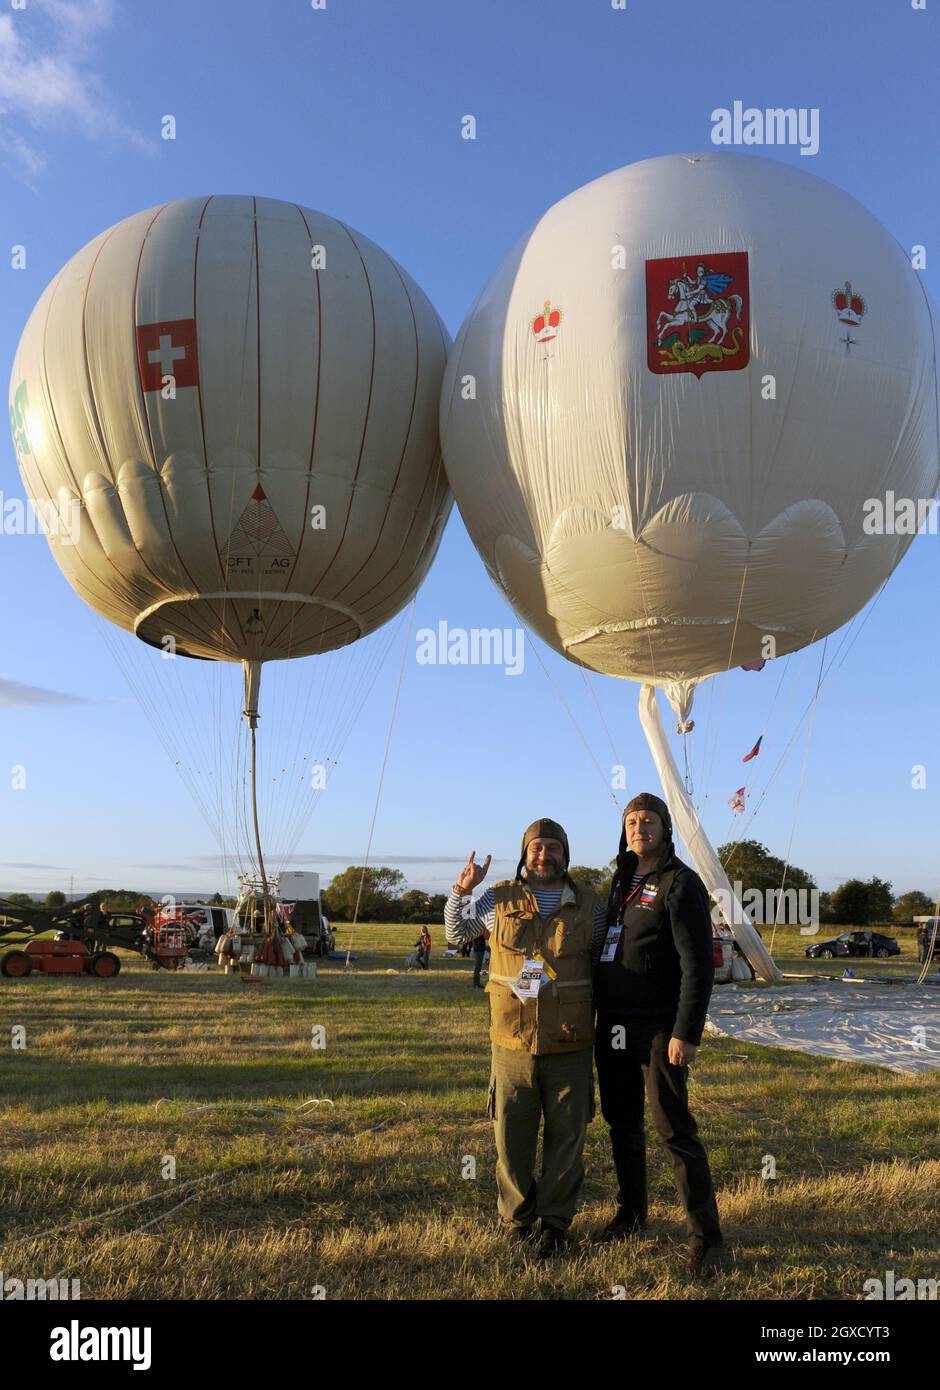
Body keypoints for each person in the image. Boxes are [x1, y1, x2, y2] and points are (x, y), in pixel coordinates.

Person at [445, 819, 606, 1258]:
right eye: (536, 848)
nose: (544, 855)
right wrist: (461, 892)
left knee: (566, 1140)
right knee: (510, 1138)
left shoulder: (591, 905)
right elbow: (456, 935)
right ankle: (518, 1221)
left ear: (565, 855)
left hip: (570, 1042)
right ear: (525, 853)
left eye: (552, 848)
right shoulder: (499, 899)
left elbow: (600, 964)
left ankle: (555, 1224)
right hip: (511, 1041)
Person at [593, 792, 725, 1276]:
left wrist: (685, 1031)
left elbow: (698, 966)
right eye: (631, 821)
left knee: (673, 1129)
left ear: (666, 828)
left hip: (658, 1027)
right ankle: (632, 1213)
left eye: (648, 821)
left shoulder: (681, 883)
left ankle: (707, 1237)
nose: (638, 828)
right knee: (622, 1122)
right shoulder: (620, 880)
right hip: (614, 1024)